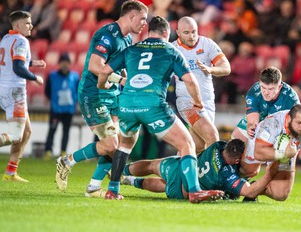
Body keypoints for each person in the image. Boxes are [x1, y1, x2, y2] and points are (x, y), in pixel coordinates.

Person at [97, 16, 225, 202]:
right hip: (152, 106)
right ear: (167, 33)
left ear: (149, 31)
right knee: (186, 144)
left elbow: (104, 71)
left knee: (124, 146)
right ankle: (195, 190)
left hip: (126, 105)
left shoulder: (132, 49)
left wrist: (103, 86)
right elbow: (190, 80)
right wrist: (198, 102)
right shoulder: (170, 50)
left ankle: (112, 190)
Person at [55, 0, 148, 198]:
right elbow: (95, 67)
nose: (144, 24)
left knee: (117, 146)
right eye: (142, 19)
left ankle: (93, 187)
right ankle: (67, 161)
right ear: (131, 16)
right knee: (111, 145)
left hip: (113, 94)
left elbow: (119, 66)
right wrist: (122, 79)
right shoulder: (107, 35)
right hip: (94, 94)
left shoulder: (127, 38)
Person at [120, 139, 278, 201]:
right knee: (163, 186)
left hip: (181, 166)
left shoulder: (218, 146)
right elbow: (249, 191)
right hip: (182, 190)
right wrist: (270, 172)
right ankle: (130, 181)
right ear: (237, 160)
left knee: (151, 165)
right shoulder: (224, 175)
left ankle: (121, 171)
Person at [244, 104, 301, 201]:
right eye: (299, 123)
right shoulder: (273, 123)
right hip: (262, 143)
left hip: (289, 151)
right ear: (288, 119)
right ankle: (229, 188)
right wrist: (283, 154)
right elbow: (258, 153)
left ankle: (254, 188)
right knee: (247, 170)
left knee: (281, 194)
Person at [172, 16, 231, 153]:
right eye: (186, 33)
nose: (192, 36)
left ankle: (173, 172)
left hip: (207, 102)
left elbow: (226, 68)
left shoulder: (207, 44)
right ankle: (214, 174)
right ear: (178, 32)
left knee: (197, 148)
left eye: (194, 31)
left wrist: (211, 69)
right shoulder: (173, 49)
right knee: (212, 136)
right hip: (188, 103)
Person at [0, 10, 46, 182]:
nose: (31, 26)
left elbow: (12, 61)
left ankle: (11, 172)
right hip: (15, 91)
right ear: (18, 25)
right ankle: (10, 173)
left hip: (4, 89)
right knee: (16, 136)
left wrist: (33, 63)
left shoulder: (6, 39)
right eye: (27, 23)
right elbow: (18, 68)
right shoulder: (21, 41)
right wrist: (35, 77)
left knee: (27, 131)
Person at [43, 53, 80, 160]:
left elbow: (78, 90)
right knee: (52, 130)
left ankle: (63, 151)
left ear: (70, 64)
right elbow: (47, 91)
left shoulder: (75, 76)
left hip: (69, 110)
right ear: (59, 63)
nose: (65, 65)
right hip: (56, 109)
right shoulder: (52, 75)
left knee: (66, 131)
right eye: (63, 62)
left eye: (67, 63)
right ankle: (48, 151)